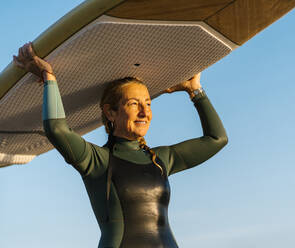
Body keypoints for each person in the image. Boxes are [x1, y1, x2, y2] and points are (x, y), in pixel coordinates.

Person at [13, 42, 228, 248]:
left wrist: (195, 90)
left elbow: (217, 139)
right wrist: (48, 76)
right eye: (134, 104)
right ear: (110, 112)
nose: (145, 112)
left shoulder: (161, 159)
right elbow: (56, 128)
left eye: (148, 103)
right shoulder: (97, 160)